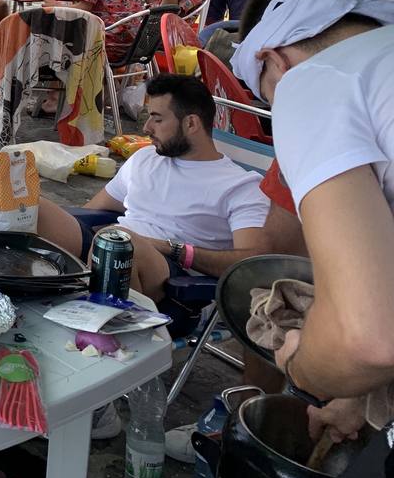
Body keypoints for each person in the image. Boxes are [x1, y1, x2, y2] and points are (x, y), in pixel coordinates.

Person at [231, 0, 394, 445]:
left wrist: (306, 370)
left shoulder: (310, 80)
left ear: (273, 60)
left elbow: (366, 338)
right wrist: (355, 397)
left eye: (268, 96)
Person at [36, 73, 271, 304]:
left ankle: (103, 329)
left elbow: (250, 264)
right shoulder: (145, 158)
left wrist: (175, 250)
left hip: (170, 280)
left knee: (122, 245)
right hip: (107, 248)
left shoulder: (240, 187)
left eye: (157, 119)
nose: (147, 128)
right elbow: (88, 213)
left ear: (191, 123)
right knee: (31, 207)